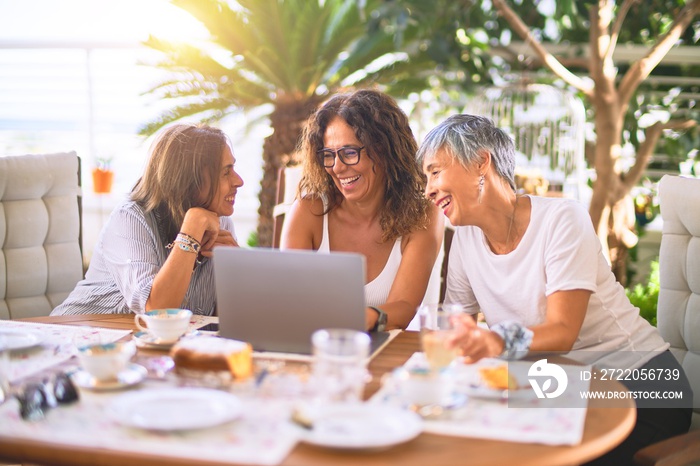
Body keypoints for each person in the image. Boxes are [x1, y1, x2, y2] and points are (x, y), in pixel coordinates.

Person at [416, 114, 692, 465]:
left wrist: (494, 340)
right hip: (562, 386)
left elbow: (562, 332)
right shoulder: (466, 238)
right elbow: (454, 324)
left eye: (435, 171)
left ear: (480, 162)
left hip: (642, 384)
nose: (428, 189)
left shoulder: (562, 218)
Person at [281, 89, 443, 331]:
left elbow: (404, 306)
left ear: (385, 150)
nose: (336, 167)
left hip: (397, 358)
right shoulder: (309, 210)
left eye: (349, 153)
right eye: (328, 155)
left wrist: (359, 318)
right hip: (322, 350)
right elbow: (288, 299)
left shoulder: (423, 213)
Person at [52, 124, 244, 316]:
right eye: (226, 172)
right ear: (188, 180)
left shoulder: (221, 223)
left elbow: (225, 323)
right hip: (76, 336)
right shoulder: (130, 219)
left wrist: (236, 271)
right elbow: (157, 309)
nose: (239, 181)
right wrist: (192, 228)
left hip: (148, 344)